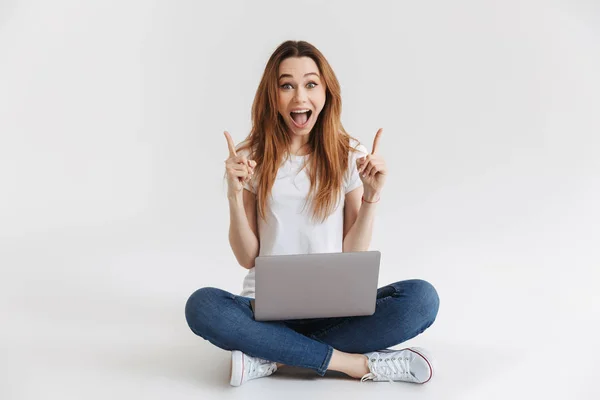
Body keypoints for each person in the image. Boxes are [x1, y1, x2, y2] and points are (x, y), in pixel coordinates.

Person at [185, 40, 439, 387]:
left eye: (310, 84)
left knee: (421, 299)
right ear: (272, 96)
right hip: (264, 312)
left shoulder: (349, 154)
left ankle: (273, 357)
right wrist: (234, 194)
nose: (299, 98)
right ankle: (350, 363)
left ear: (326, 92)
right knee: (203, 306)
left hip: (334, 312)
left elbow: (353, 254)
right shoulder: (252, 156)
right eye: (286, 85)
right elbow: (247, 257)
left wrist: (372, 197)